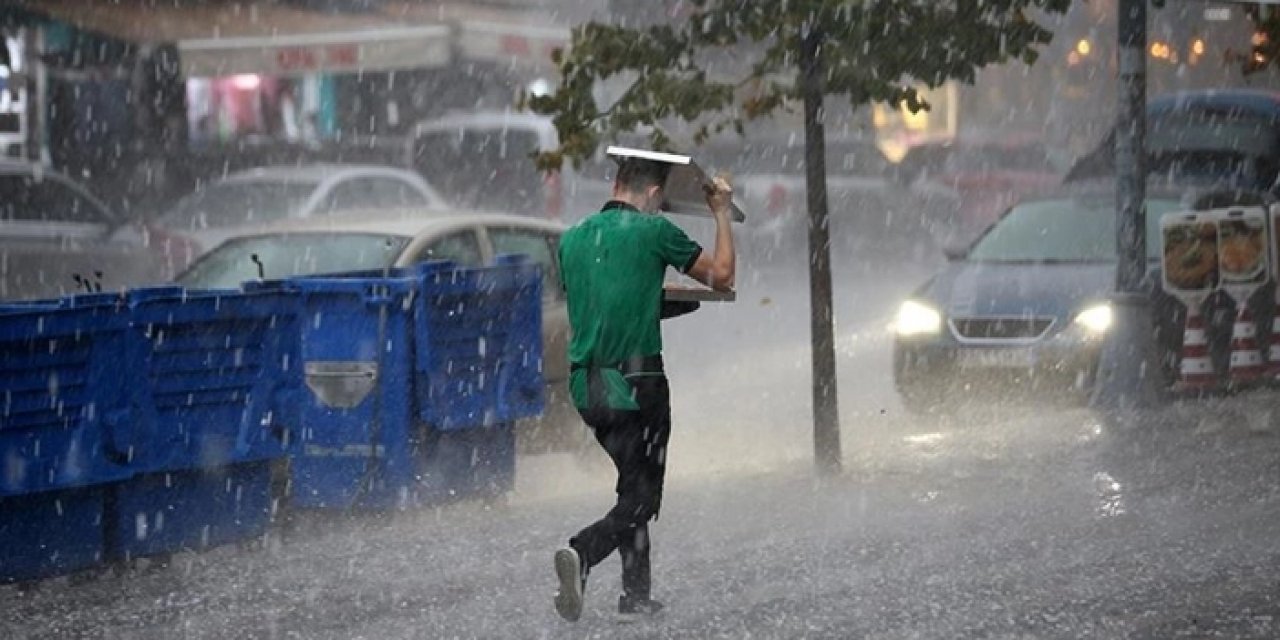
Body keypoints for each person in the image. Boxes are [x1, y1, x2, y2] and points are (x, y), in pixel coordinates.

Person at [552, 156, 736, 622]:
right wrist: (719, 211)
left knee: (632, 484)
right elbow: (723, 275)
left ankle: (635, 595)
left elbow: (604, 304)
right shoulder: (655, 233)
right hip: (638, 385)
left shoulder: (572, 239)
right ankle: (584, 551)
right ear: (654, 194)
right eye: (661, 201)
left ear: (616, 183)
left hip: (587, 388)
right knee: (643, 497)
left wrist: (651, 299)